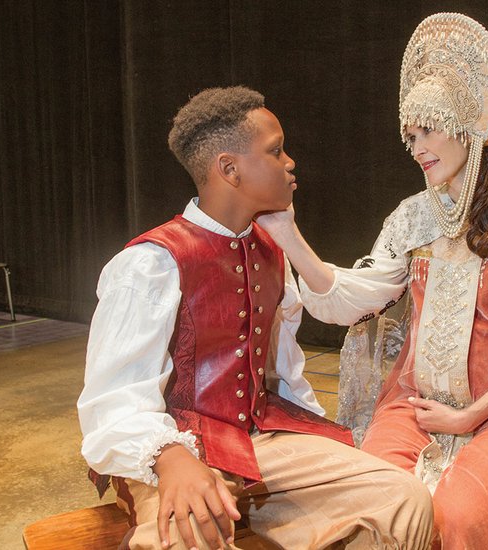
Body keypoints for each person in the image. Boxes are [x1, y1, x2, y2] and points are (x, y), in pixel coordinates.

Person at [257, 14, 488, 550]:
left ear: (465, 124)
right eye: (410, 135)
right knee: (377, 503)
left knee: (458, 514)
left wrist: (466, 418)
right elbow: (351, 301)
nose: (417, 147)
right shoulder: (412, 218)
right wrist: (289, 235)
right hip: (414, 405)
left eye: (428, 129)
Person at [77, 86, 433, 550]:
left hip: (258, 438)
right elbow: (113, 401)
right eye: (275, 150)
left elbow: (283, 373)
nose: (290, 163)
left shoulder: (271, 253)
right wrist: (170, 458)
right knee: (194, 532)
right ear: (229, 169)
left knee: (404, 499)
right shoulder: (152, 263)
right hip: (172, 451)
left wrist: (316, 443)